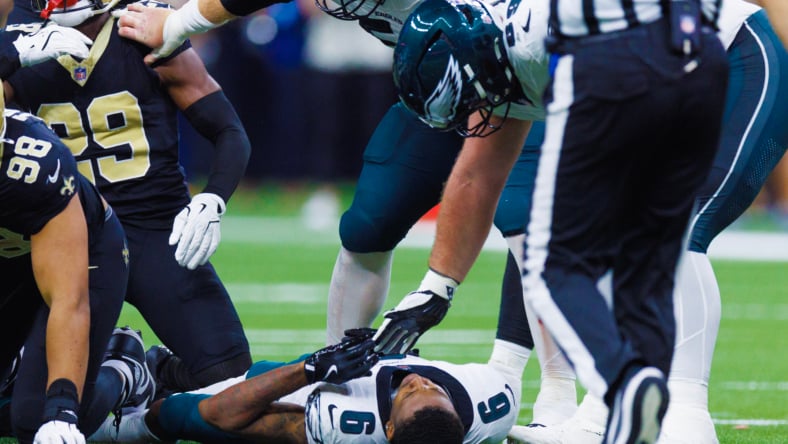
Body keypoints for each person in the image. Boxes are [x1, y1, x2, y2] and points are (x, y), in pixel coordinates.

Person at [386, 0, 731, 442]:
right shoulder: (507, 42)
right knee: (640, 250)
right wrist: (437, 286)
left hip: (666, 62)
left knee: (561, 262)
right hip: (689, 67)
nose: (479, 108)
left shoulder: (532, 42)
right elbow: (480, 172)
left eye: (472, 93)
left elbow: (482, 171)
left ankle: (635, 391)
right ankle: (629, 404)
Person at [509, 0, 788, 442]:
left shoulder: (534, 36)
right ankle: (604, 410)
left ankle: (689, 416)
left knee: (681, 228)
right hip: (668, 74)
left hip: (739, 58)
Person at [2, 0, 254, 397]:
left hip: (152, 227)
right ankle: (116, 374)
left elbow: (228, 131)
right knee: (30, 402)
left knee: (227, 376)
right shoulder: (18, 35)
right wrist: (8, 57)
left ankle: (148, 373)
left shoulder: (143, 26)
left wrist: (213, 199)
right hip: (61, 233)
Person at [89, 251, 535, 444]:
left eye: (410, 394)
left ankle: (126, 404)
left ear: (389, 429)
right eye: (434, 389)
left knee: (176, 415)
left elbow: (219, 415)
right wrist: (527, 234)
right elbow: (516, 334)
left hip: (299, 393)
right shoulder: (492, 404)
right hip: (333, 380)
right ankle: (164, 371)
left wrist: (308, 370)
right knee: (217, 366)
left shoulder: (348, 424)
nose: (419, 380)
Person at [0, 26, 154, 442]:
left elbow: (69, 298)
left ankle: (126, 370)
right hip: (8, 257)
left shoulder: (35, 168)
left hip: (85, 252)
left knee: (34, 420)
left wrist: (61, 412)